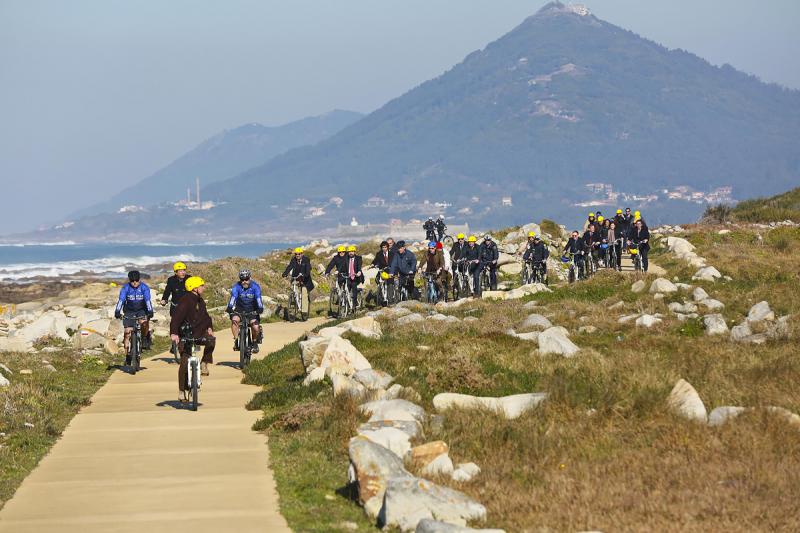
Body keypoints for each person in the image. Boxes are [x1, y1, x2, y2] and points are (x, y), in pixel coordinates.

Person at [170, 276, 215, 404]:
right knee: (184, 363)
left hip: (199, 333)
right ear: (194, 288)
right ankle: (181, 391)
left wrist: (209, 327)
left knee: (211, 340)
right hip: (186, 335)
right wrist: (174, 333)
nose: (203, 287)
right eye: (201, 285)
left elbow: (206, 317)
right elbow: (175, 319)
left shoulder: (200, 300)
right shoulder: (185, 301)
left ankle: (204, 362)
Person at [114, 270, 154, 363]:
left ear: (139, 279)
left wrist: (150, 311)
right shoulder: (126, 288)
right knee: (127, 332)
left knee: (144, 323)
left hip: (141, 310)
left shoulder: (144, 287)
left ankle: (144, 338)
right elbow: (121, 300)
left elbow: (147, 300)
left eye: (136, 280)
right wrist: (117, 311)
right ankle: (127, 355)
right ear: (129, 280)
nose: (135, 282)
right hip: (129, 311)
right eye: (132, 281)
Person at [226, 269, 264, 359]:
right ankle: (236, 340)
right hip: (240, 308)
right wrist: (229, 307)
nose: (244, 282)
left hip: (252, 309)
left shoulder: (255, 287)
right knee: (234, 321)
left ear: (250, 278)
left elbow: (258, 298)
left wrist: (260, 308)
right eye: (242, 280)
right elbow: (233, 297)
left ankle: (254, 342)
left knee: (255, 326)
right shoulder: (236, 286)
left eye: (246, 279)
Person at [282, 248, 314, 319]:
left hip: (305, 278)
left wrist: (304, 274)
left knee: (304, 292)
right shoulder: (293, 260)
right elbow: (290, 266)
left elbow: (308, 268)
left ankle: (304, 311)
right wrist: (285, 273)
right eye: (296, 254)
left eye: (299, 254)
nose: (297, 255)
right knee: (294, 288)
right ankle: (295, 300)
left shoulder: (306, 259)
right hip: (296, 277)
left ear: (302, 254)